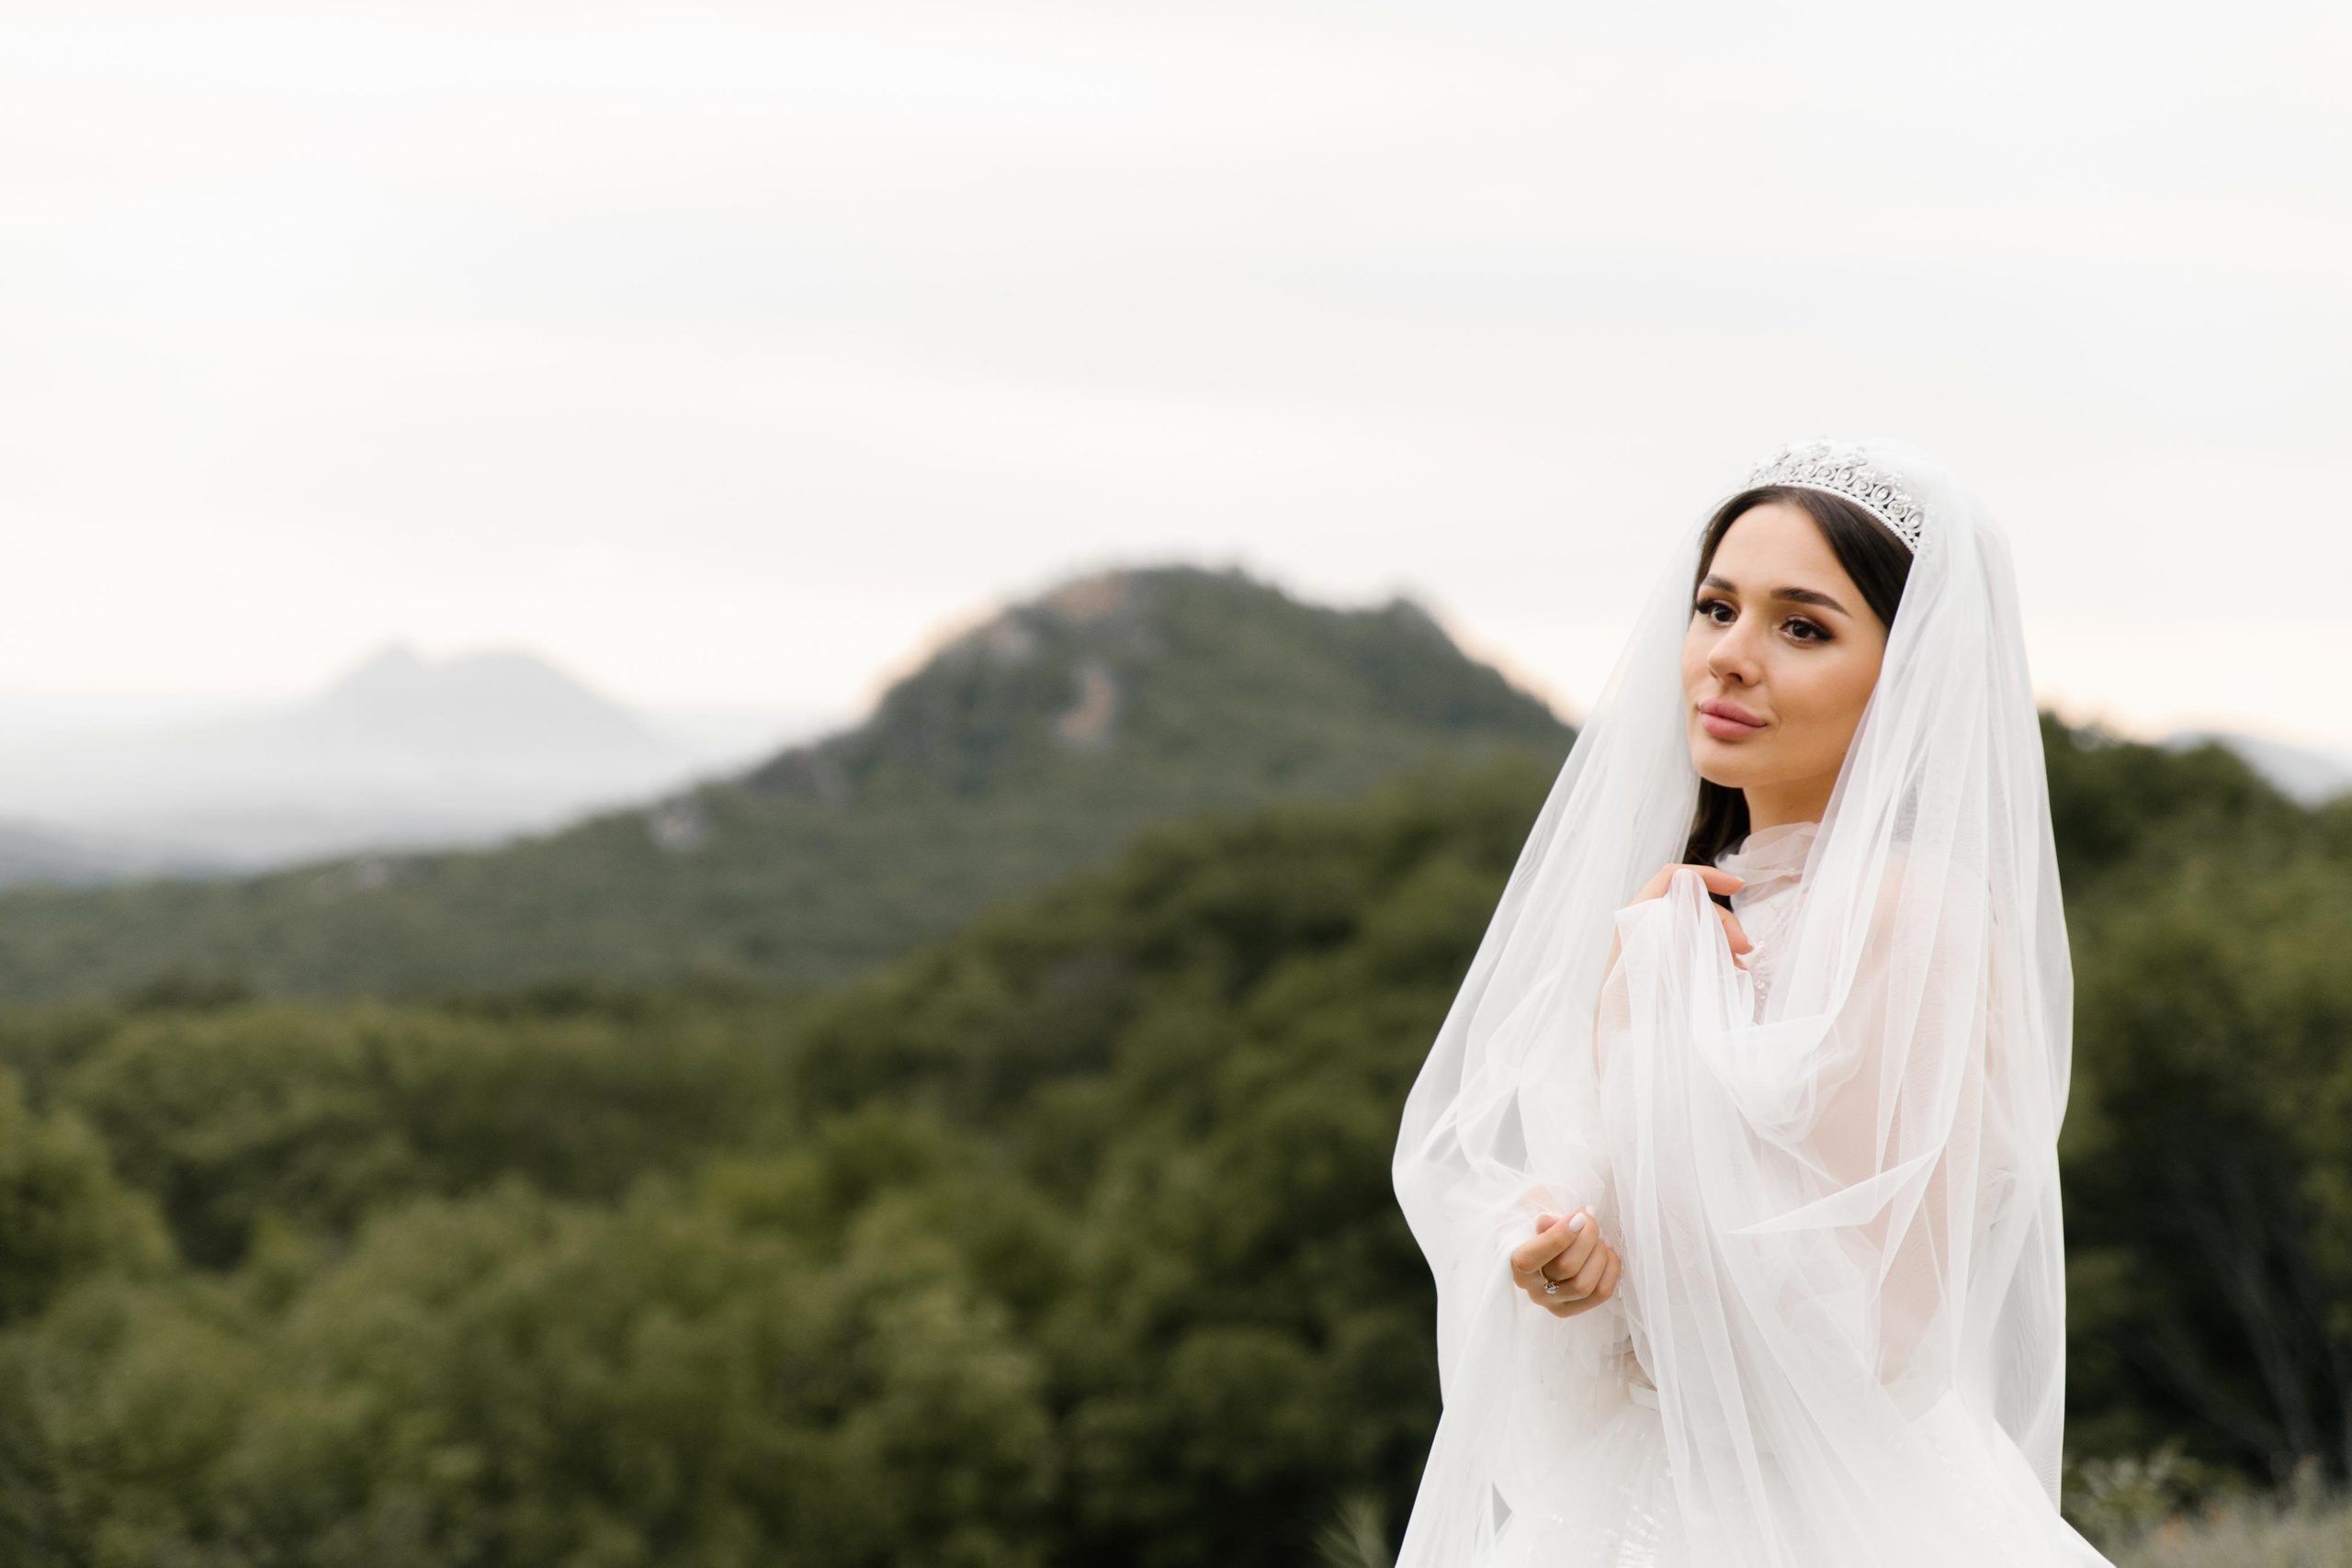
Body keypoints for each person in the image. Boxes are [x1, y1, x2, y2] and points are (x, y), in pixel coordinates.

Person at [1392, 441, 2109, 1566]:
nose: (1728, 657)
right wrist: (1557, 1253)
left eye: (1801, 628)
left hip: (1821, 1516)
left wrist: (1672, 993)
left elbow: (1869, 1341)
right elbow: (1598, 1200)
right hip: (1634, 1488)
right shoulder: (1673, 916)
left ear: (1907, 676)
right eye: (1716, 608)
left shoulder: (1914, 919)